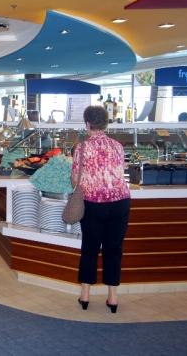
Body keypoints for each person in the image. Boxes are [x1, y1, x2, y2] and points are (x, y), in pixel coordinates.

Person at [71, 105, 130, 314]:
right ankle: (113, 298)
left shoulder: (81, 148)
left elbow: (75, 179)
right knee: (114, 249)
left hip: (93, 204)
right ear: (105, 123)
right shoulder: (118, 146)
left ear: (88, 124)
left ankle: (85, 295)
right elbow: (118, 172)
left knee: (90, 248)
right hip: (120, 203)